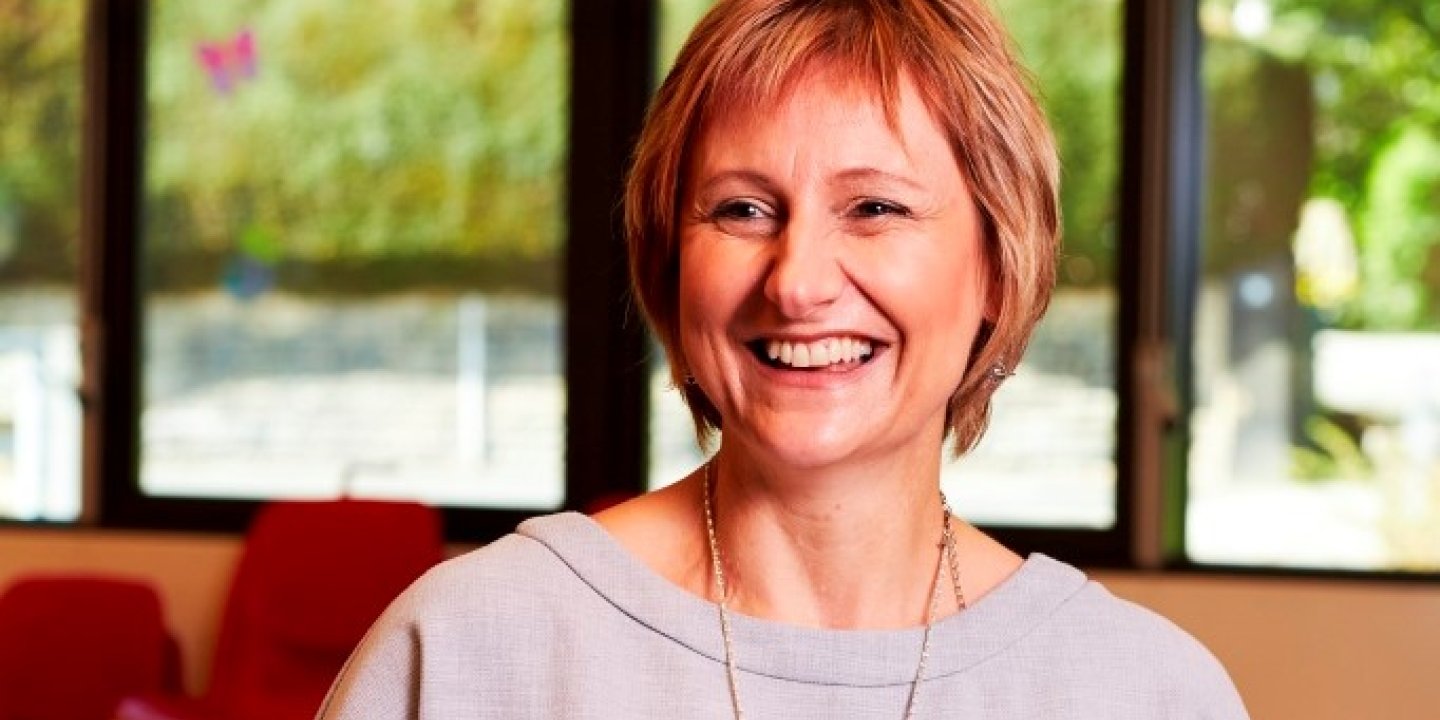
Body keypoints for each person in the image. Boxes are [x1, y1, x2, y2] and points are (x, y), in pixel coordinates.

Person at [318, 0, 1249, 717]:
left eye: (875, 207)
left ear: (999, 270)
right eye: (741, 210)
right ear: (670, 264)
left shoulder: (1148, 691)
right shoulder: (466, 651)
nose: (798, 283)